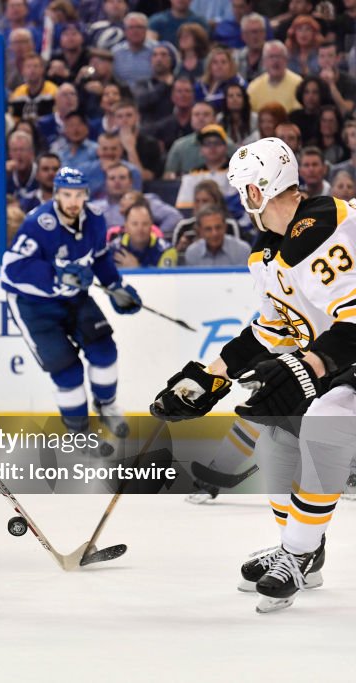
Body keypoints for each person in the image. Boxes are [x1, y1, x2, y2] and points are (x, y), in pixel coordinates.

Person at [149, 136, 356, 612]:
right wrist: (208, 377)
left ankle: (298, 553)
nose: (243, 204)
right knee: (277, 434)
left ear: (257, 193)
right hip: (340, 360)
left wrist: (309, 366)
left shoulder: (323, 228)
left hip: (346, 361)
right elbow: (273, 329)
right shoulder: (270, 253)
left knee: (324, 422)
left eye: (244, 192)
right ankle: (304, 550)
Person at [0, 167, 141, 445]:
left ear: (87, 195)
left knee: (104, 350)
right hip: (33, 306)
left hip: (74, 299)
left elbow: (99, 257)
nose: (73, 201)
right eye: (67, 195)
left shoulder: (95, 220)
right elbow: (10, 270)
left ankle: (106, 405)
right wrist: (55, 277)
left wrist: (115, 286)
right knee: (67, 371)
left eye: (78, 195)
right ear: (56, 194)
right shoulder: (37, 224)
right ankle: (78, 433)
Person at [181, 205, 251, 266]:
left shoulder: (243, 250)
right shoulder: (192, 253)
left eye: (218, 227)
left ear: (225, 227)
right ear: (200, 231)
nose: (214, 233)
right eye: (208, 229)